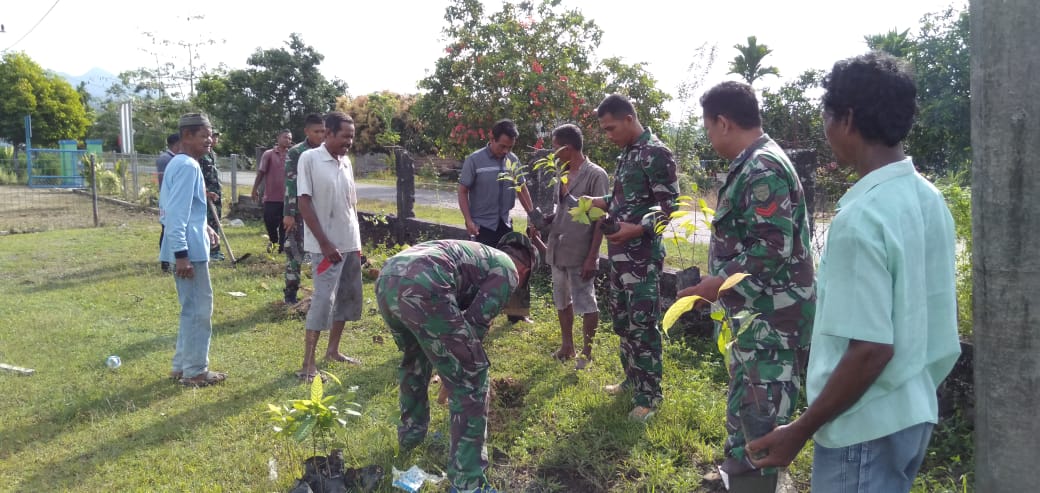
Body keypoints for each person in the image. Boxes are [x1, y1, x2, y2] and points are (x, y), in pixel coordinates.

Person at [746, 52, 960, 493]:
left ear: (846, 119)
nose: (825, 133)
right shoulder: (928, 199)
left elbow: (871, 350)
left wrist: (799, 430)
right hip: (913, 410)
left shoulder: (862, 217)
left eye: (826, 117)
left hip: (863, 425)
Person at [682, 80, 816, 491]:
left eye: (707, 128)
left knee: (763, 412)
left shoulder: (762, 168)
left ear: (723, 122)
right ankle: (737, 475)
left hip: (775, 317)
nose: (709, 137)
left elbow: (772, 248)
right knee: (748, 399)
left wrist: (716, 284)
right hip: (758, 316)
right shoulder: (754, 162)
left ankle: (755, 483)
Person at [376, 233, 537, 493]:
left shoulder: (480, 254)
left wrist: (448, 363)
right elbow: (475, 325)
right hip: (425, 283)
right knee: (472, 376)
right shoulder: (508, 270)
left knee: (414, 363)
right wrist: (454, 374)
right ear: (525, 270)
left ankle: (410, 438)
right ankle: (468, 483)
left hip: (388, 277)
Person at [585, 94, 679, 421]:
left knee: (643, 325)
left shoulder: (657, 153)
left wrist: (636, 230)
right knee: (623, 322)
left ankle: (649, 397)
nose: (608, 135)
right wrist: (599, 200)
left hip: (641, 257)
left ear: (629, 118)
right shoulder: (628, 154)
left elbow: (670, 208)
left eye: (611, 128)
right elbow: (624, 196)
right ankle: (632, 380)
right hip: (619, 256)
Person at [532, 124, 608, 370]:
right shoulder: (562, 174)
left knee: (586, 302)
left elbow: (600, 219)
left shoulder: (596, 175)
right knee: (562, 300)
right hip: (558, 247)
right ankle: (567, 346)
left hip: (580, 250)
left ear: (568, 147)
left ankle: (586, 353)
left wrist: (592, 256)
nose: (553, 153)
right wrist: (545, 222)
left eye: (555, 147)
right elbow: (561, 209)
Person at [158, 113, 226, 387]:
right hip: (189, 254)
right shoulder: (187, 166)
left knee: (190, 310)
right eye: (204, 136)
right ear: (187, 136)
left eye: (210, 135)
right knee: (199, 311)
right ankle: (196, 371)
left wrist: (204, 227)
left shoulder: (180, 163)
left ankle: (180, 366)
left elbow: (184, 211)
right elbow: (174, 215)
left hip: (188, 245)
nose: (210, 141)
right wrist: (182, 254)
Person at [295, 111, 363, 382]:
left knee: (347, 299)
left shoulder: (346, 162)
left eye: (352, 137)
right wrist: (324, 243)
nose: (349, 141)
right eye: (345, 136)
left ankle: (332, 351)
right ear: (329, 133)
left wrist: (357, 243)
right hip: (326, 246)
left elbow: (351, 205)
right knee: (323, 300)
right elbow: (304, 202)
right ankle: (307, 364)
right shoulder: (309, 158)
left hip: (350, 242)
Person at [457, 119, 535, 324]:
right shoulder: (474, 160)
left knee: (517, 266)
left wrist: (532, 215)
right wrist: (468, 220)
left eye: (510, 147)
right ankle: (479, 315)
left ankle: (516, 313)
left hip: (505, 223)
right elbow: (463, 190)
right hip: (482, 226)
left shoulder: (513, 160)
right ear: (491, 138)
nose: (505, 151)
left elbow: (522, 188)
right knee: (481, 272)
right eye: (502, 146)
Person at [283, 113, 326, 305]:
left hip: (323, 211)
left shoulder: (329, 151)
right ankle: (290, 294)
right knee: (295, 253)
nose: (321, 135)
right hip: (300, 212)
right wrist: (289, 214)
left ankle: (322, 294)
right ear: (307, 131)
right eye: (316, 131)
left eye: (324, 131)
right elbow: (291, 185)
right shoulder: (296, 152)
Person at [252, 128, 292, 254]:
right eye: (285, 137)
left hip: (287, 197)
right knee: (269, 220)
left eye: (290, 138)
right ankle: (273, 240)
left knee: (284, 223)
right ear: (278, 138)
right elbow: (261, 173)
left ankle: (281, 247)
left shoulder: (292, 155)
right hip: (271, 197)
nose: (288, 140)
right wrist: (254, 189)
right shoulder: (269, 154)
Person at [156, 133, 180, 273]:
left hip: (170, 199)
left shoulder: (171, 158)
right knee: (166, 230)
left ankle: (169, 261)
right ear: (176, 144)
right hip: (169, 200)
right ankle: (166, 263)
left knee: (168, 229)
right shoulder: (166, 159)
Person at [199, 130, 224, 261]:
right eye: (212, 136)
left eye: (216, 137)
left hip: (216, 194)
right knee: (208, 222)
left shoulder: (212, 154)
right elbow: (200, 177)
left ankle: (216, 249)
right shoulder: (201, 156)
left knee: (216, 222)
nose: (214, 139)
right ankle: (209, 251)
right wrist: (206, 192)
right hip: (206, 194)